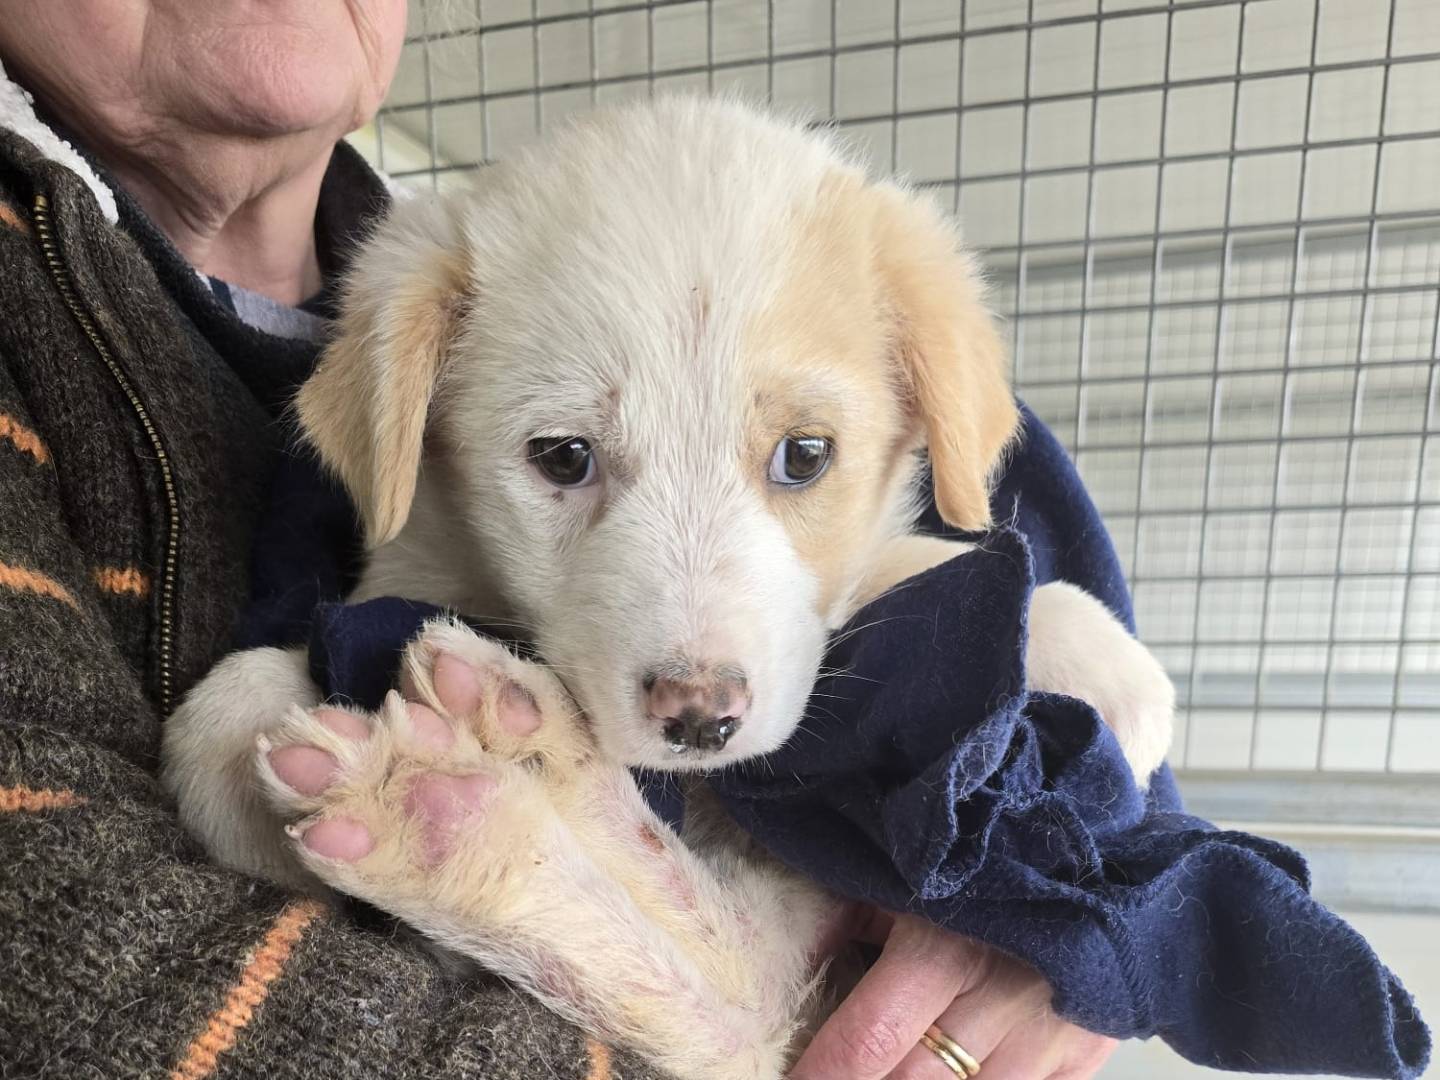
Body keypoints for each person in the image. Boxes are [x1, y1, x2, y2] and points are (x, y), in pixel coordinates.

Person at [0, 5, 1118, 1078]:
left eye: (801, 457)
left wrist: (1070, 904)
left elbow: (1084, 740)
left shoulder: (498, 264)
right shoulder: (428, 306)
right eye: (567, 460)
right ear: (411, 433)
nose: (699, 670)